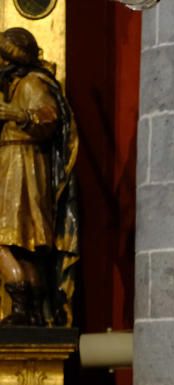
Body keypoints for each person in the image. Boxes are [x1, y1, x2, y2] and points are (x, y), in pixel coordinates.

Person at [0, 27, 78, 326]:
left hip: (23, 164)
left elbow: (50, 117)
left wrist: (16, 114)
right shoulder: (15, 85)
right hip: (15, 162)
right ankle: (30, 310)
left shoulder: (32, 83)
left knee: (8, 239)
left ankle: (22, 303)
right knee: (24, 245)